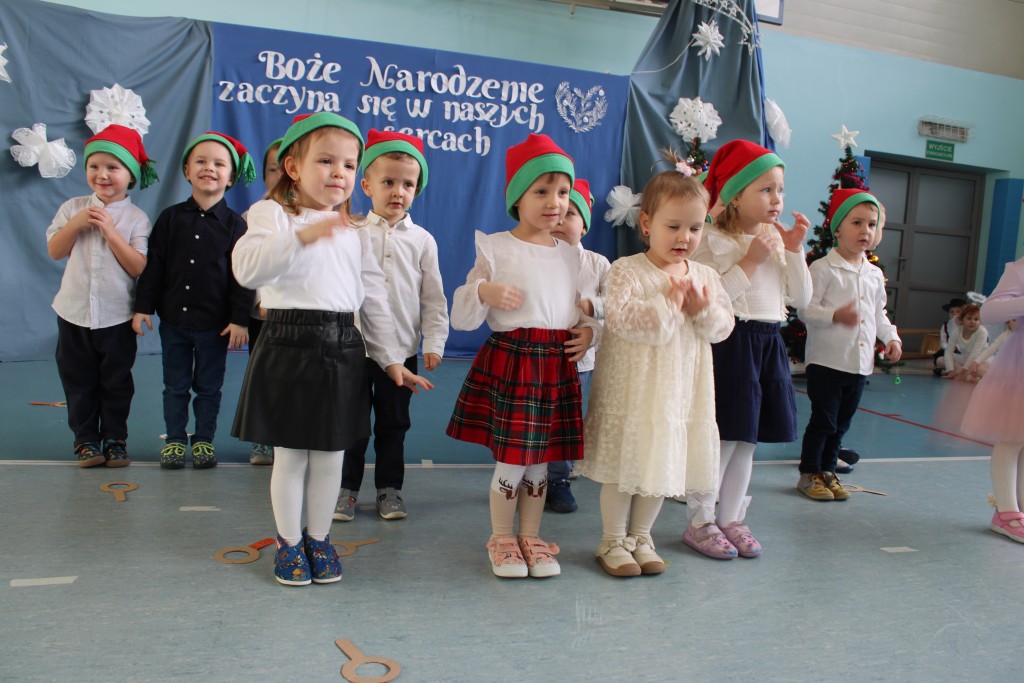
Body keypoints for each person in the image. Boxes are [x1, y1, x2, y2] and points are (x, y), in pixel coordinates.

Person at [231, 112, 433, 586]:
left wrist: (390, 359)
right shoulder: (270, 214)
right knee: (291, 456)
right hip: (288, 341)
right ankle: (288, 542)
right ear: (293, 167)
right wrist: (301, 235)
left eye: (348, 164)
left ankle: (318, 538)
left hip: (343, 344)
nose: (338, 173)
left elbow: (372, 299)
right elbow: (247, 269)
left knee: (329, 455)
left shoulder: (354, 230)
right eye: (325, 160)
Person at [446, 133, 597, 579]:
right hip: (515, 360)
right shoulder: (496, 247)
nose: (555, 202)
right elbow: (462, 314)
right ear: (517, 196)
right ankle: (501, 537)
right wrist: (484, 291)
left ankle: (531, 536)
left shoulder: (574, 256)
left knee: (541, 459)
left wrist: (590, 333)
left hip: (556, 364)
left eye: (563, 192)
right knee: (513, 457)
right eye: (542, 191)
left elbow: (585, 311)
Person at [578, 171, 734, 576]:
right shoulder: (626, 270)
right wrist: (669, 305)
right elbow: (622, 320)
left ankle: (641, 536)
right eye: (673, 226)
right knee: (625, 470)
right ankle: (613, 539)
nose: (684, 237)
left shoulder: (706, 277)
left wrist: (701, 310)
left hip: (678, 396)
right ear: (647, 224)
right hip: (634, 393)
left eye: (695, 228)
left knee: (662, 465)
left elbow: (723, 328)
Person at [688, 140, 812, 558]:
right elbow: (714, 298)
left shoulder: (776, 239)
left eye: (780, 190)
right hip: (732, 342)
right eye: (766, 189)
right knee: (723, 438)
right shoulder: (712, 240)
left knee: (748, 440)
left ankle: (731, 517)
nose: (777, 199)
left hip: (767, 343)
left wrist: (794, 251)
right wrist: (752, 260)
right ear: (736, 196)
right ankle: (700, 520)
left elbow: (802, 298)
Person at [334, 129, 448, 522]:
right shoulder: (351, 232)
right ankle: (346, 490)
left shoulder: (423, 241)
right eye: (388, 182)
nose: (398, 191)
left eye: (407, 184)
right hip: (353, 349)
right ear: (366, 185)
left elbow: (433, 298)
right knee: (351, 424)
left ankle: (389, 489)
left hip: (401, 351)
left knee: (393, 424)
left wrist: (434, 342)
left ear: (417, 189)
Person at [133, 132, 257, 470]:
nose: (209, 168)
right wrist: (143, 308)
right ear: (187, 170)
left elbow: (243, 277)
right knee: (175, 385)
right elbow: (154, 267)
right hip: (174, 321)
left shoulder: (236, 226)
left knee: (208, 387)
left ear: (230, 177)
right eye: (201, 162)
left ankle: (203, 439)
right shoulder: (170, 218)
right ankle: (175, 439)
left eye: (219, 164)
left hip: (215, 326)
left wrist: (240, 319)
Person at [45, 124, 157, 467]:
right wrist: (76, 224)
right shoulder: (73, 208)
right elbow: (55, 250)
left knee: (116, 382)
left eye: (113, 167)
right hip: (74, 313)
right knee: (77, 380)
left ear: (130, 175)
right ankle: (85, 441)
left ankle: (115, 439)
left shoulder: (136, 219)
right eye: (94, 166)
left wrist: (110, 231)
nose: (102, 174)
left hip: (116, 317)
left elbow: (138, 266)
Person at [796, 189, 901, 500]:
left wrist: (891, 337)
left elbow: (879, 313)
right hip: (827, 362)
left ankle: (828, 472)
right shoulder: (823, 268)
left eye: (871, 224)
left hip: (858, 366)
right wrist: (835, 315)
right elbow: (805, 310)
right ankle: (809, 474)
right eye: (857, 223)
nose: (865, 231)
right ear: (838, 228)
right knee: (823, 421)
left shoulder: (873, 274)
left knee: (841, 425)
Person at [543, 177, 611, 514]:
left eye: (570, 214)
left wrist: (591, 335)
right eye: (555, 214)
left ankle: (558, 479)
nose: (559, 220)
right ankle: (526, 476)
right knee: (533, 417)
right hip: (536, 357)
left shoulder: (598, 265)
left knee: (566, 421)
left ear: (583, 226)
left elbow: (612, 308)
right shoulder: (533, 258)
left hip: (577, 361)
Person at [959, 258, 1024, 542]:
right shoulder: (1020, 270)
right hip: (1019, 367)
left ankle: (1018, 508)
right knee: (1012, 438)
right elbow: (991, 311)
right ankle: (1006, 513)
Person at [246, 137, 283, 467]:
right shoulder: (253, 216)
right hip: (262, 317)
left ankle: (288, 434)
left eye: (286, 168)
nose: (280, 175)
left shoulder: (310, 215)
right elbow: (247, 267)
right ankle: (263, 438)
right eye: (273, 169)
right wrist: (261, 301)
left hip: (298, 318)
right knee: (262, 376)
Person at [942, 303, 989, 379]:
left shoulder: (982, 331)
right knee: (940, 360)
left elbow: (975, 354)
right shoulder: (957, 331)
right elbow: (948, 351)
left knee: (979, 369)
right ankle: (960, 372)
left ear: (980, 321)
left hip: (980, 360)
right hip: (965, 358)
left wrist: (962, 373)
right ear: (962, 319)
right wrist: (950, 370)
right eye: (969, 318)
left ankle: (964, 372)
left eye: (976, 319)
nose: (972, 322)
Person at [933, 297, 967, 376]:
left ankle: (954, 370)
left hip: (964, 354)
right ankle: (958, 369)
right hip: (951, 351)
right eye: (951, 312)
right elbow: (943, 342)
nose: (954, 314)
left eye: (958, 312)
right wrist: (949, 347)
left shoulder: (967, 326)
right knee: (940, 360)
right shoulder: (945, 326)